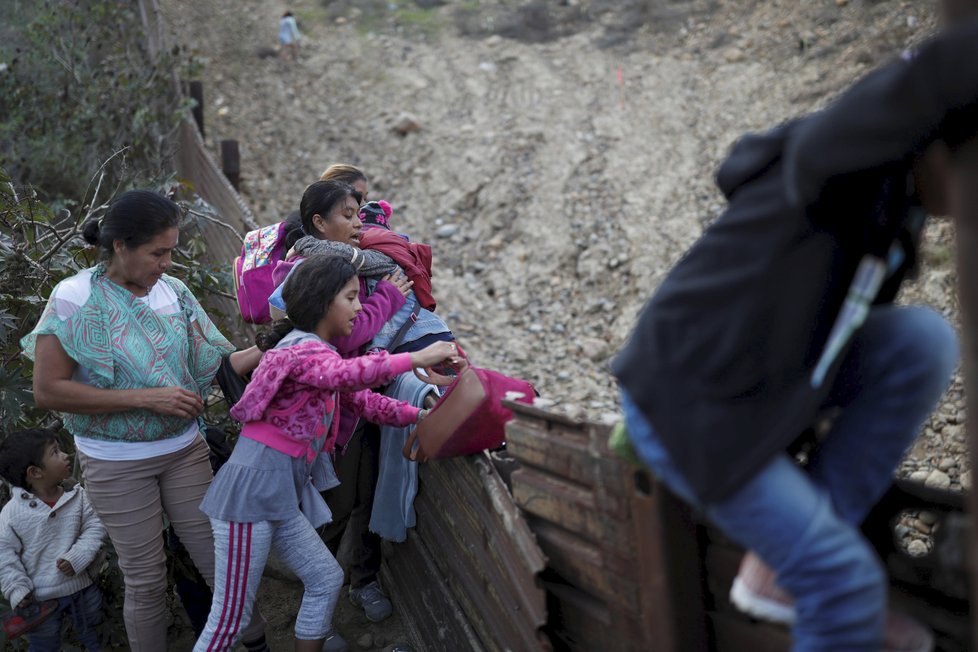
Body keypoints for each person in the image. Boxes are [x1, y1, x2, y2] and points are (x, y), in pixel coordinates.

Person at [612, 20, 978, 652]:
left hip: (754, 384)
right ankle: (811, 577)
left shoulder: (898, 213)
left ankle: (782, 571)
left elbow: (823, 340)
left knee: (922, 339)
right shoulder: (840, 175)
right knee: (844, 582)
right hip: (692, 405)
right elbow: (876, 112)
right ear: (935, 145)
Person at [20, 190, 269, 652]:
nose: (167, 263)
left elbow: (214, 368)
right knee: (147, 579)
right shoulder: (74, 298)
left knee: (221, 562)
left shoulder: (173, 293)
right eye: (158, 252)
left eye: (171, 250)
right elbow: (47, 390)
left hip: (184, 452)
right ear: (120, 246)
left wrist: (276, 344)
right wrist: (143, 398)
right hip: (116, 464)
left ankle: (256, 644)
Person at [192, 255, 459, 652]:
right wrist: (418, 357)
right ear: (322, 302)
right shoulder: (302, 353)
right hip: (249, 499)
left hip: (277, 497)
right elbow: (349, 376)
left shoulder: (319, 356)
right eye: (351, 298)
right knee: (229, 620)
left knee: (325, 578)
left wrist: (422, 414)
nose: (360, 309)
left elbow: (365, 402)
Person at [0, 428, 105, 651]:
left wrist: (79, 556)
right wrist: (17, 589)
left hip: (83, 589)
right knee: (43, 646)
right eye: (55, 453)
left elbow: (95, 526)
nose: (66, 455)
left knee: (95, 636)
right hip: (39, 602)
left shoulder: (77, 495)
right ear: (35, 472)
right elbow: (4, 555)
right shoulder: (12, 514)